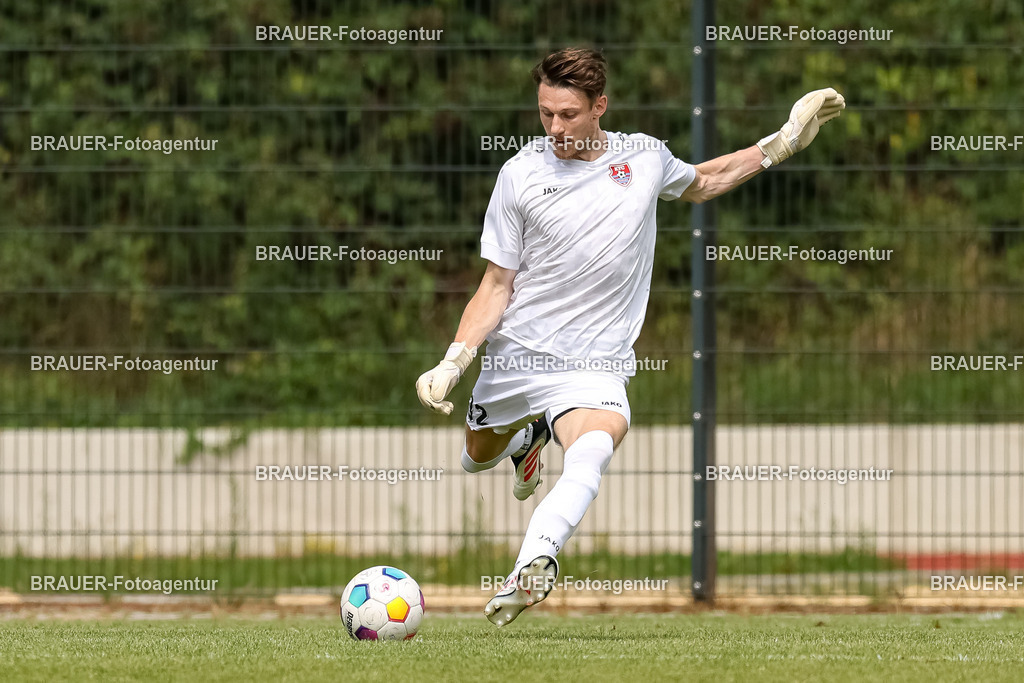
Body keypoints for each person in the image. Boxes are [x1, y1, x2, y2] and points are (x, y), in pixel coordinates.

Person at [416, 47, 845, 626]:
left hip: (596, 360)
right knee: (475, 456)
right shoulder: (518, 174)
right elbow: (496, 284)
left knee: (596, 443)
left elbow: (706, 180)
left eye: (568, 114)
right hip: (518, 356)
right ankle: (524, 442)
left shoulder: (643, 158)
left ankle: (533, 560)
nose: (555, 127)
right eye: (545, 113)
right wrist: (454, 359)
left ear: (600, 107)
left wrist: (783, 142)